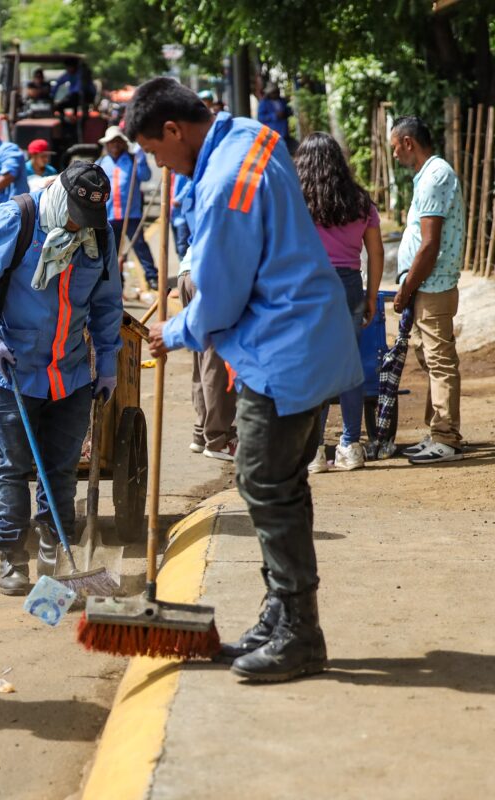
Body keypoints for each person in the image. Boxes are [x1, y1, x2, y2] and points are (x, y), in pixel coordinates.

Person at [128, 77, 361, 682]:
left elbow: (221, 297)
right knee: (282, 483)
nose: (160, 166)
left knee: (262, 481)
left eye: (156, 152)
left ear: (175, 129)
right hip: (306, 336)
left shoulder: (225, 184)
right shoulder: (252, 136)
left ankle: (300, 634)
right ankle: (280, 616)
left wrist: (174, 331)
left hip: (280, 351)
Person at [0, 162, 123, 595]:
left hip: (70, 372)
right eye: (75, 217)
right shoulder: (18, 218)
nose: (79, 226)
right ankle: (12, 557)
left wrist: (107, 361)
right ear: (62, 199)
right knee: (12, 467)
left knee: (61, 469)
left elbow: (107, 302)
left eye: (89, 220)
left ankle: (55, 550)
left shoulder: (99, 234)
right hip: (11, 369)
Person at [294, 133, 384, 472]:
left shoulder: (295, 201)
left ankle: (315, 451)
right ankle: (350, 445)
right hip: (349, 286)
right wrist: (371, 295)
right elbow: (376, 251)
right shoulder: (360, 202)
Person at [390, 115, 465, 464]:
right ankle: (438, 431)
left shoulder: (435, 176)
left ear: (408, 143)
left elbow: (429, 244)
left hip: (433, 285)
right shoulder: (428, 176)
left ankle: (446, 438)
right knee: (430, 359)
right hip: (427, 284)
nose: (394, 155)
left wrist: (407, 287)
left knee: (440, 360)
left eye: (395, 147)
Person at [172, 169, 238, 460]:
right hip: (209, 274)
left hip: (188, 271)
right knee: (215, 359)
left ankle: (202, 432)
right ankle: (218, 439)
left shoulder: (206, 186)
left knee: (202, 356)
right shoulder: (231, 190)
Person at [97, 125, 158, 288]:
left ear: (123, 143)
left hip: (131, 213)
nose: (115, 145)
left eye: (118, 141)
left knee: (140, 246)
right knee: (112, 250)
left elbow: (146, 176)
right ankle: (116, 280)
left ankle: (152, 276)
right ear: (107, 145)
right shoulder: (101, 163)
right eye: (112, 142)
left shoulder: (133, 159)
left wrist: (142, 160)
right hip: (110, 215)